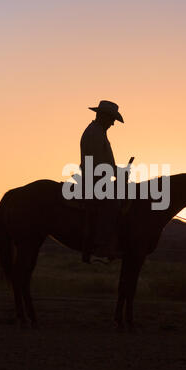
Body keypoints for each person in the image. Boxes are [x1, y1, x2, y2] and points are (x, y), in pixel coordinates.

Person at [80, 100, 126, 262]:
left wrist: (118, 172)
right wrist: (118, 173)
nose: (113, 123)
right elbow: (99, 163)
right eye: (112, 119)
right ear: (102, 116)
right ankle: (100, 248)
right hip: (94, 179)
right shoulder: (95, 133)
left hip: (98, 177)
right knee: (111, 204)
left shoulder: (97, 132)